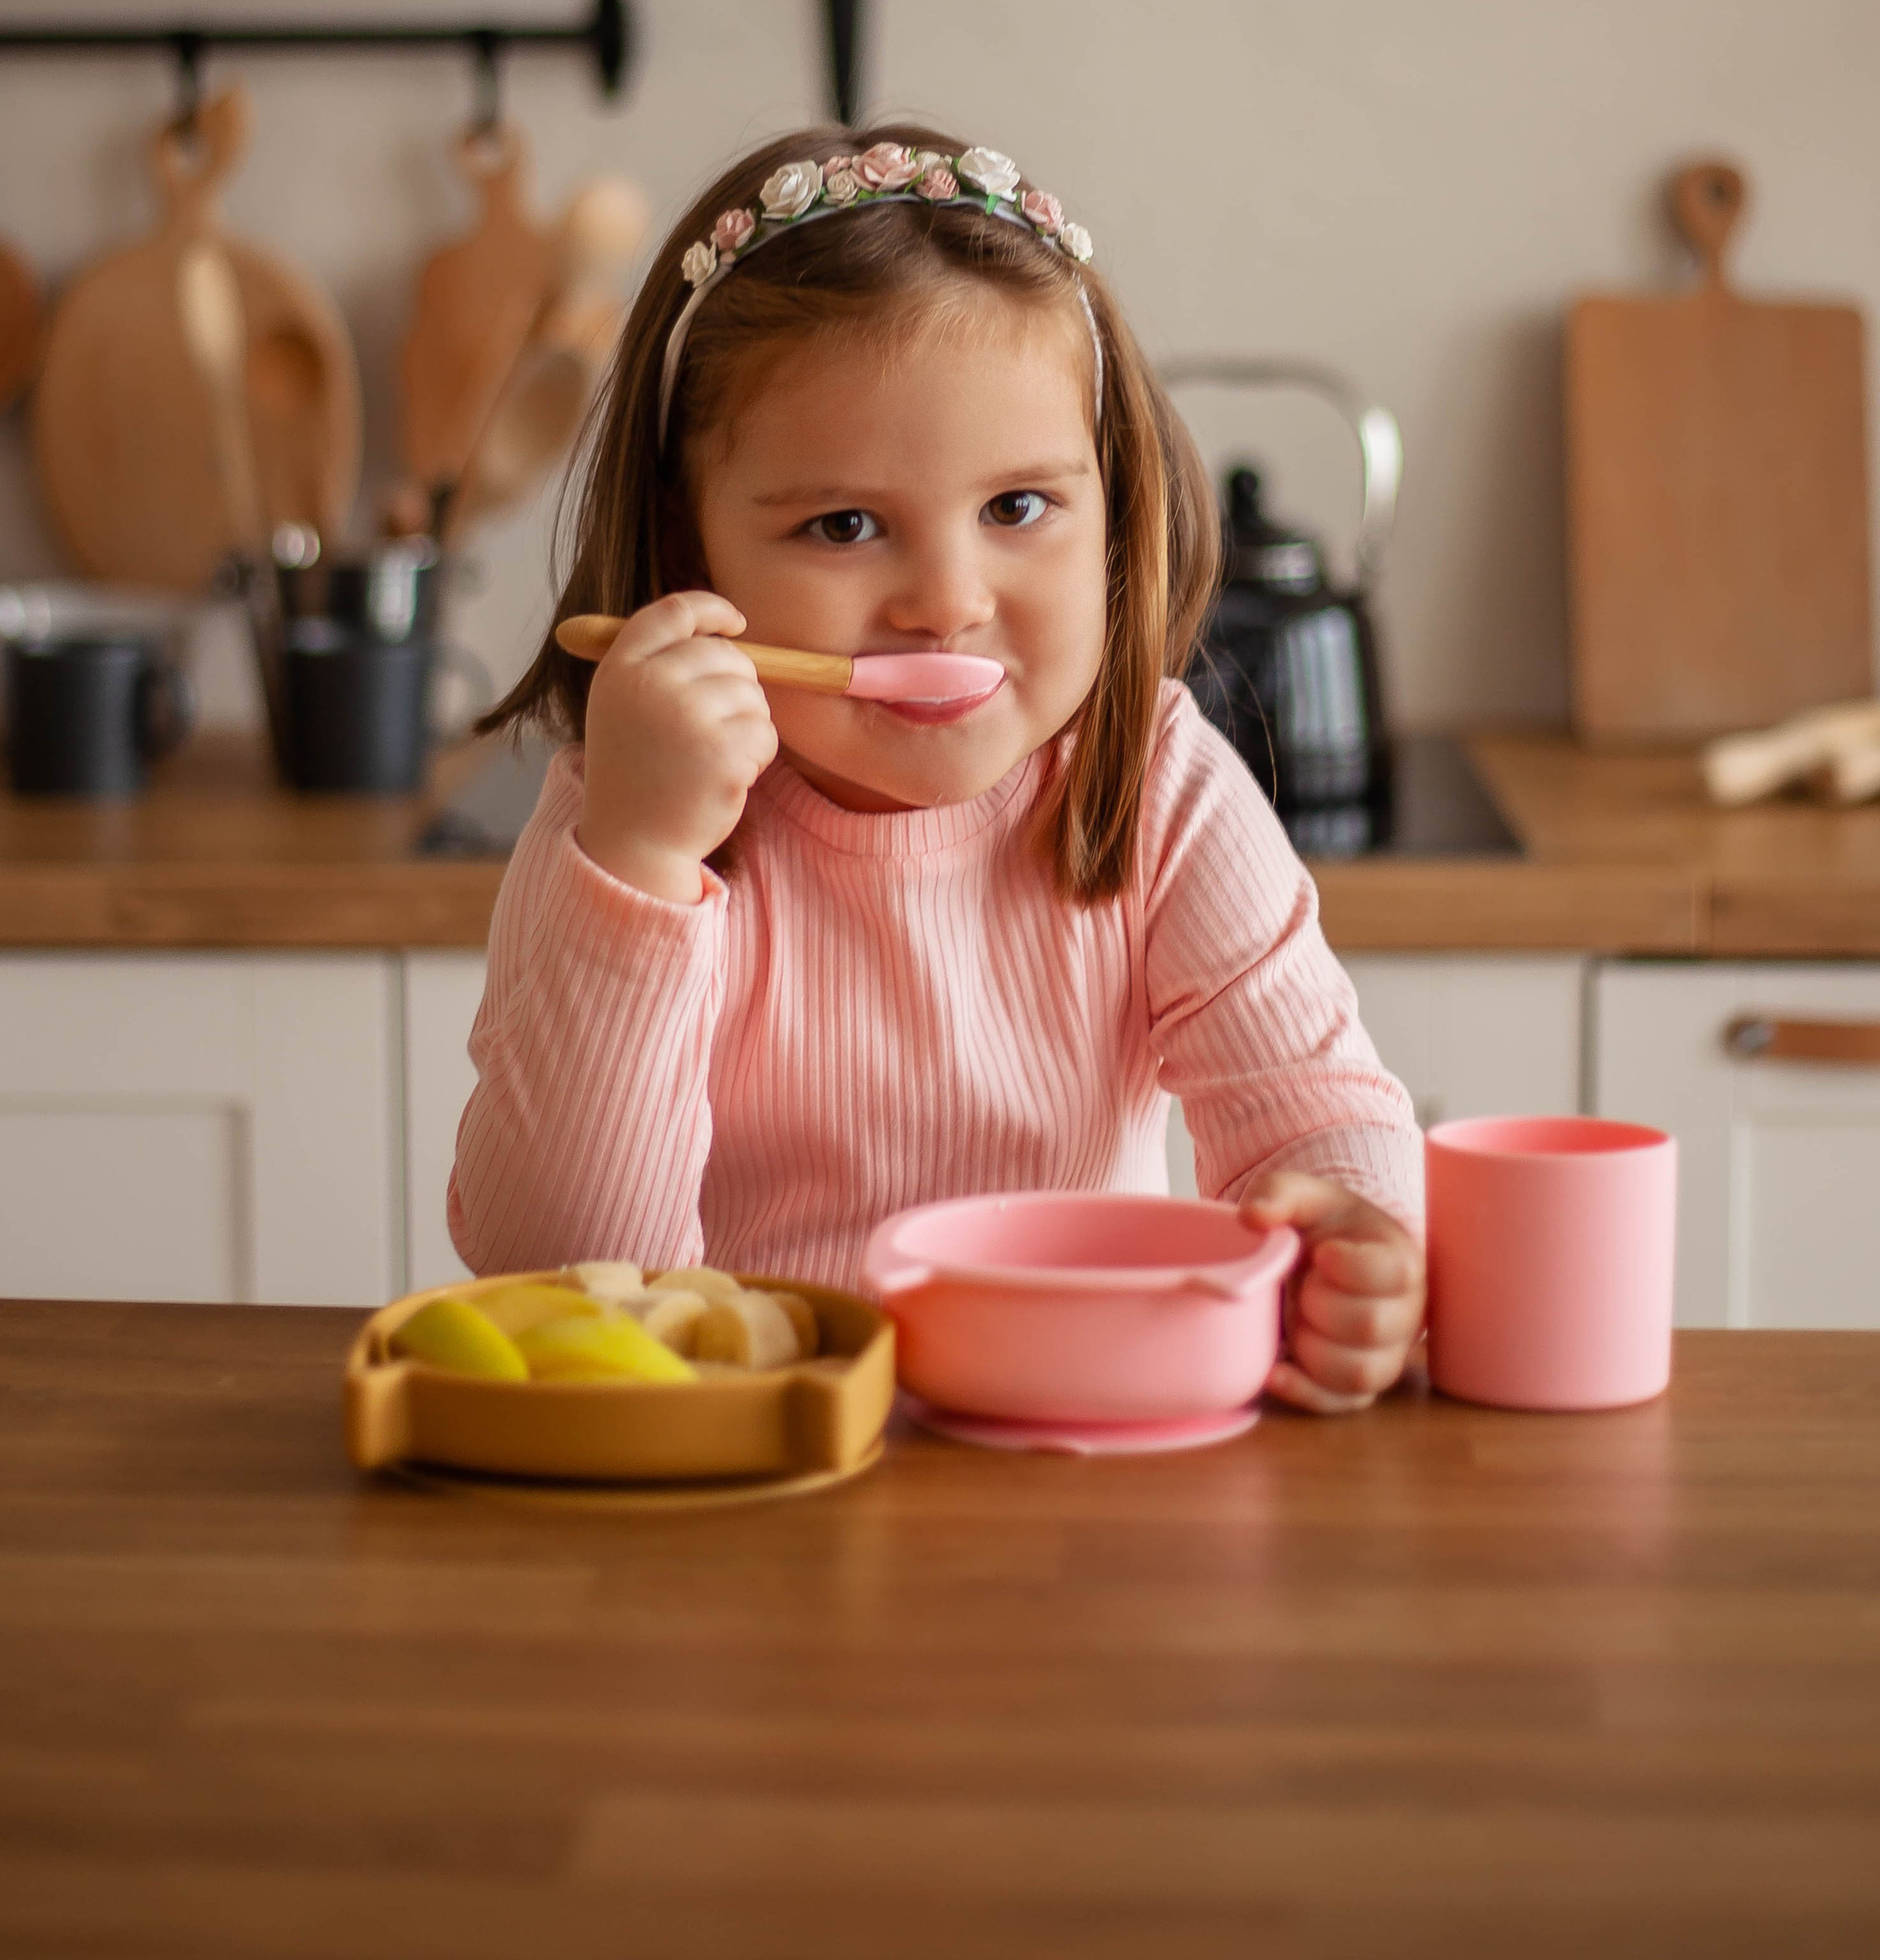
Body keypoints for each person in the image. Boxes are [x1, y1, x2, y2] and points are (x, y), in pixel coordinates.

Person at [450, 126, 1425, 1411]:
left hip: (1073, 1466)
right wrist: (639, 863)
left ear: (1115, 501)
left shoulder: (1155, 786)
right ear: (694, 554)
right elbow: (564, 1274)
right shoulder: (629, 813)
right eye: (844, 526)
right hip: (750, 1484)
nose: (947, 603)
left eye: (1017, 509)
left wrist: (1352, 1243)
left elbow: (1313, 1113)